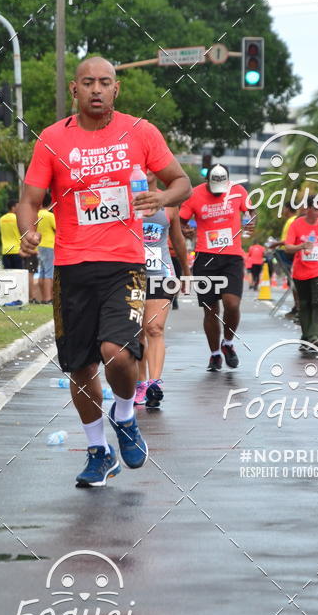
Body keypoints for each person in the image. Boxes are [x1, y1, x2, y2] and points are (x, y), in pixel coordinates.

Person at [17, 56, 190, 487]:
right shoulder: (53, 139)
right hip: (72, 269)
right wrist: (28, 231)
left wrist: (162, 198)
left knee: (117, 351)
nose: (97, 89)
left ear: (117, 90)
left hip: (125, 265)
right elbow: (29, 200)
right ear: (74, 90)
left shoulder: (141, 132)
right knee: (80, 369)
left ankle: (126, 416)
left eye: (106, 82)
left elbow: (181, 181)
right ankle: (98, 450)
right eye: (88, 82)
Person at [179, 163, 253, 371]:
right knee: (210, 310)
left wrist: (250, 221)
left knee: (232, 304)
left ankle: (228, 343)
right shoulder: (194, 194)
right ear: (207, 182)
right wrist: (186, 230)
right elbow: (181, 220)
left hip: (232, 257)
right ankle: (214, 355)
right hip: (206, 258)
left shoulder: (238, 191)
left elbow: (251, 212)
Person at [135, 170, 190, 409]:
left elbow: (177, 240)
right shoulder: (126, 201)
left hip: (161, 272)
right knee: (135, 334)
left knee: (154, 328)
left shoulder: (169, 203)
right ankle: (139, 384)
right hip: (130, 274)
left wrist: (186, 273)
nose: (145, 171)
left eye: (149, 166)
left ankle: (154, 383)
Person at [284, 196, 318, 352]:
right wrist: (302, 246)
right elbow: (288, 248)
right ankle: (307, 338)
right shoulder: (296, 224)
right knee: (304, 304)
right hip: (301, 271)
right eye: (316, 209)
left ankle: (315, 337)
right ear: (308, 209)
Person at [36, 193, 56, 303]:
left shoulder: (36, 214)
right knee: (49, 272)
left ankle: (43, 297)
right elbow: (57, 229)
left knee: (42, 272)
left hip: (39, 245)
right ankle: (48, 298)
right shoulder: (49, 215)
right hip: (49, 245)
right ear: (50, 202)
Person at [0, 199, 23, 269]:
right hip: (16, 250)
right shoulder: (18, 218)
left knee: (9, 277)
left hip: (5, 251)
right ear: (13, 207)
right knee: (18, 275)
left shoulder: (1, 219)